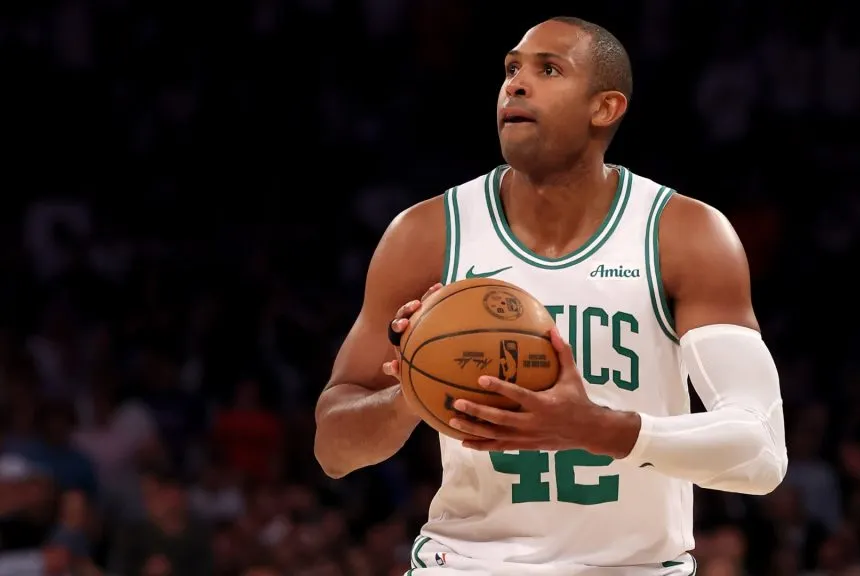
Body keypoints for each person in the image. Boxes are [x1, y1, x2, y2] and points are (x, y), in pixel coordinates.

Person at [314, 17, 788, 575]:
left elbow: (760, 453)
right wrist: (412, 394)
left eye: (548, 69)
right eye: (511, 68)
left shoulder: (684, 234)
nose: (515, 83)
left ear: (605, 107)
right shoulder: (428, 234)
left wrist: (596, 427)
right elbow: (333, 450)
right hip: (468, 563)